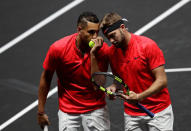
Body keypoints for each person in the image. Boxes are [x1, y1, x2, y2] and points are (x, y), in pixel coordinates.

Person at [92, 12, 174, 131]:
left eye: (113, 35)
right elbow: (119, 79)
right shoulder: (112, 53)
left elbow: (162, 81)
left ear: (122, 28)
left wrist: (139, 97)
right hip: (132, 115)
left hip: (158, 112)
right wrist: (114, 87)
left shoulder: (147, 46)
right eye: (108, 38)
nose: (111, 41)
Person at [37, 11, 110, 131]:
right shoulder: (58, 49)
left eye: (97, 32)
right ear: (79, 29)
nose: (95, 37)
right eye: (91, 32)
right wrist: (40, 112)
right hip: (68, 111)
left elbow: (98, 86)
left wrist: (93, 55)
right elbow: (46, 78)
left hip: (96, 109)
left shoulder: (102, 50)